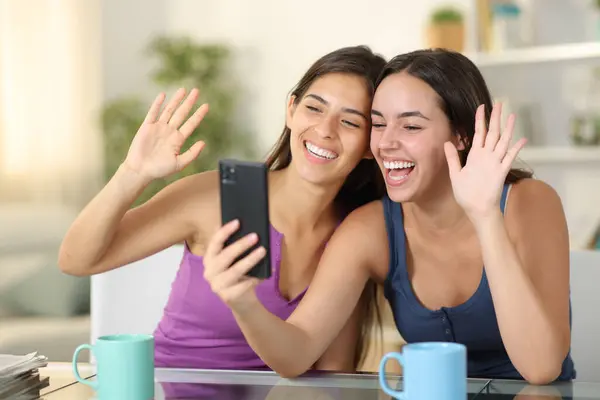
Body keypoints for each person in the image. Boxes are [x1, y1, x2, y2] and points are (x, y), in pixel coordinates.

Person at [203, 48, 576, 384]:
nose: (386, 143)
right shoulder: (371, 229)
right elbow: (297, 351)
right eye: (378, 124)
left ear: (461, 135)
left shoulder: (530, 203)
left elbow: (541, 368)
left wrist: (485, 217)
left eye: (411, 126)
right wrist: (244, 303)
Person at [58, 45, 387, 371]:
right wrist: (133, 174)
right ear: (291, 109)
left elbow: (332, 374)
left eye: (350, 122)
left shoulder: (354, 236)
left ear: (372, 145)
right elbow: (76, 260)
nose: (325, 130)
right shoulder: (215, 197)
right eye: (315, 108)